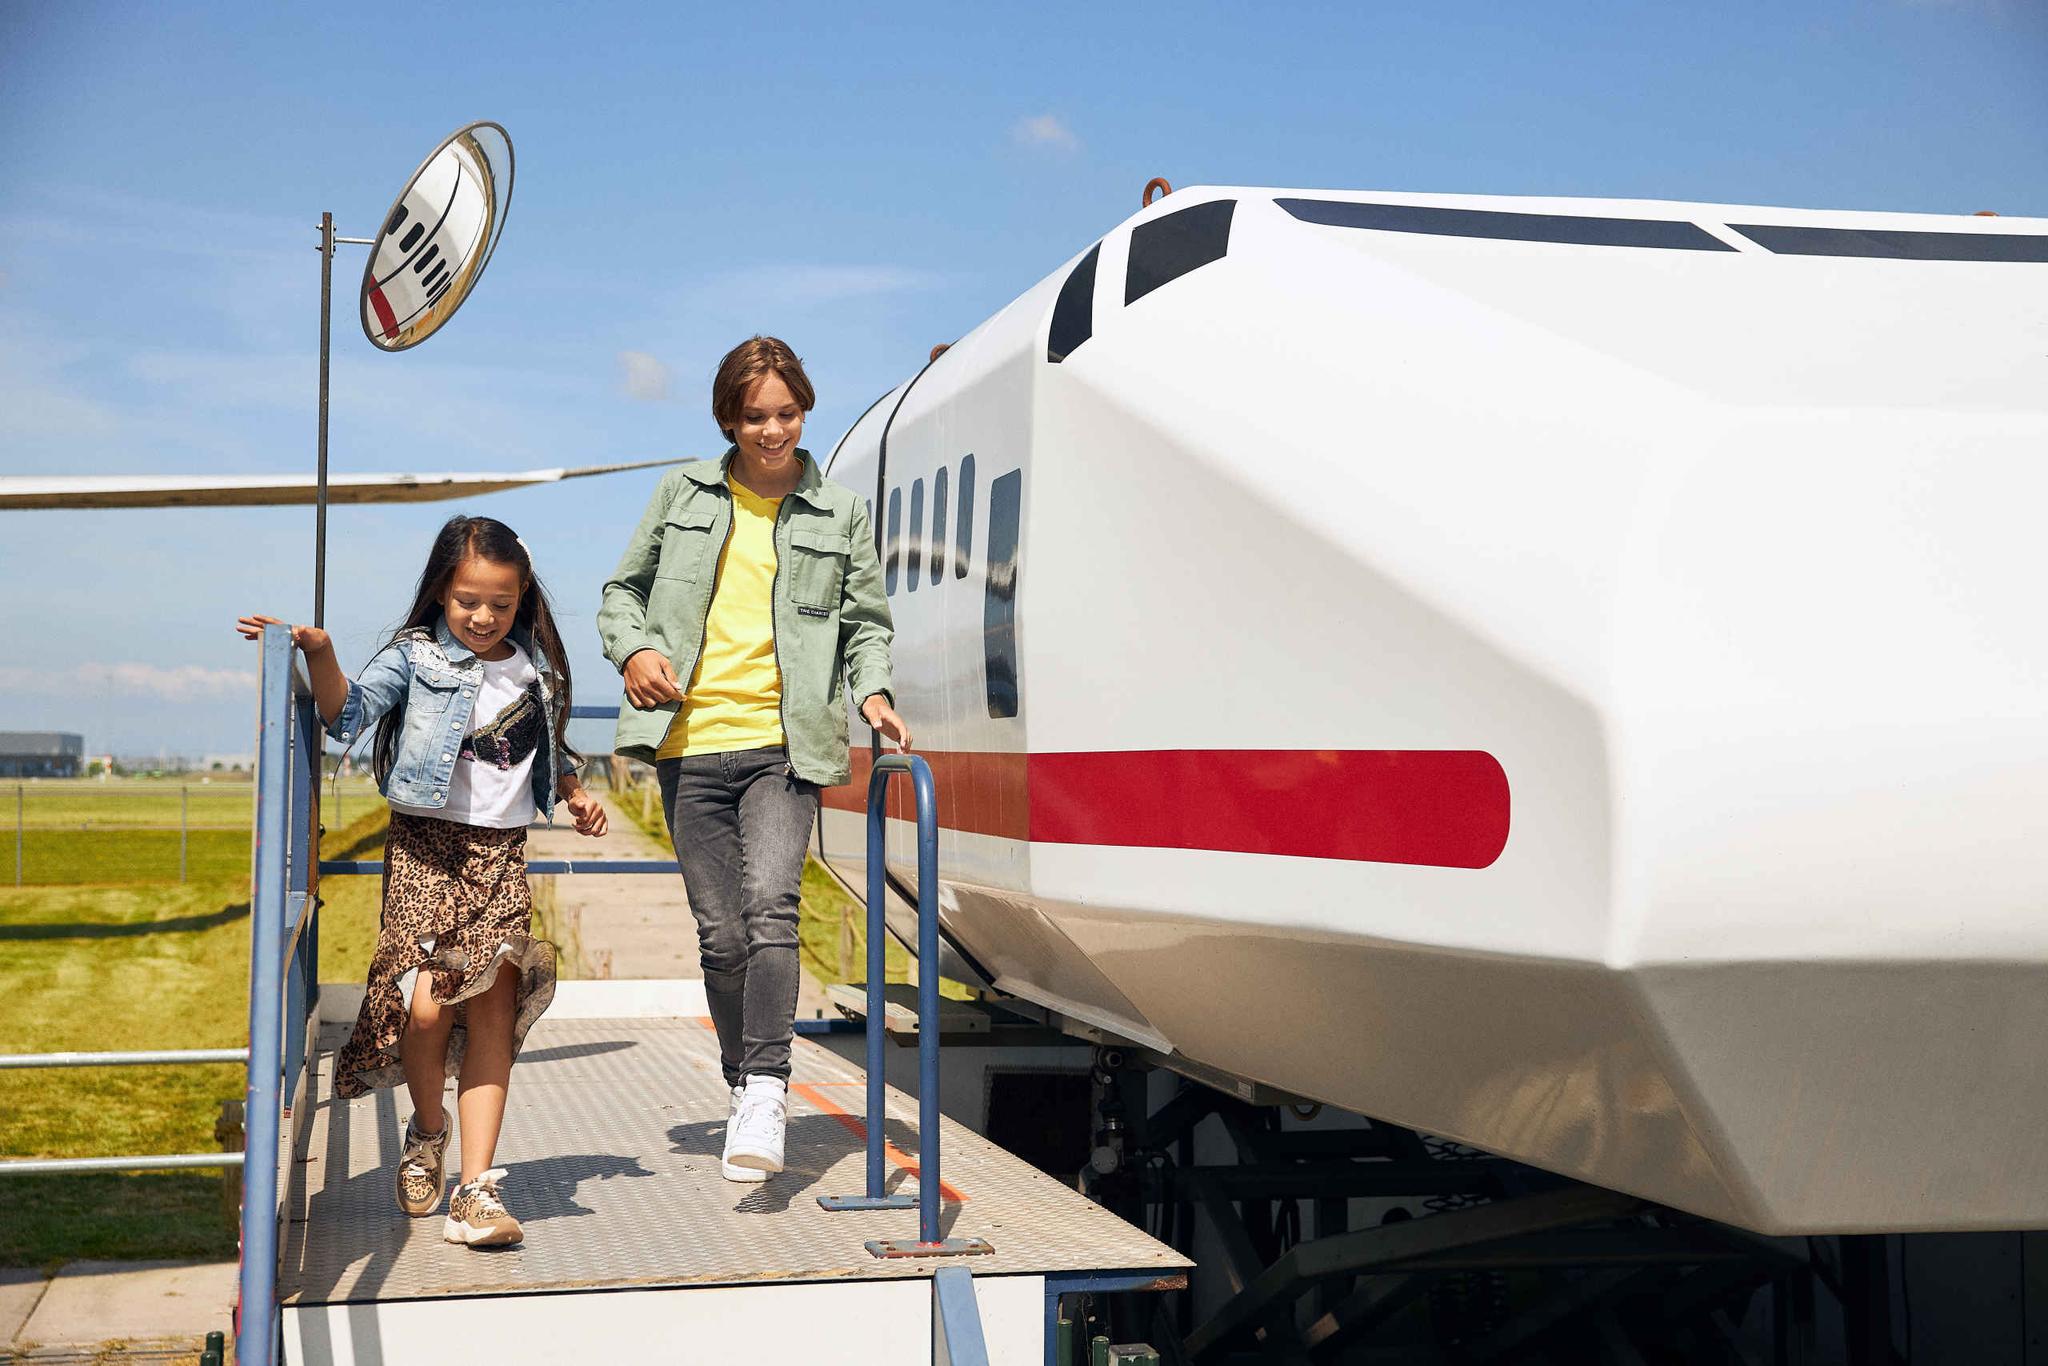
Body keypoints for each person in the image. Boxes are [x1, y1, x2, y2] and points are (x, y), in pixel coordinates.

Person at [236, 515, 607, 1247]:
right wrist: (320, 651)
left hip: (501, 857)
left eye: (500, 603)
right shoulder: (415, 655)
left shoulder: (535, 666)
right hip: (425, 851)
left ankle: (476, 1190)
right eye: (468, 600)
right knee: (429, 1010)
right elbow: (344, 715)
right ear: (441, 591)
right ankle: (428, 1133)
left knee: (493, 1010)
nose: (483, 616)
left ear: (522, 597)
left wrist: (573, 790)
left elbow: (542, 744)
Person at [598, 335, 909, 1182]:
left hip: (784, 746)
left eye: (787, 413)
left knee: (772, 907)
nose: (773, 431)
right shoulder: (683, 494)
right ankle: (743, 1081)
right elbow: (621, 593)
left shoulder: (839, 512)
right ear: (728, 420)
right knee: (722, 937)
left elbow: (864, 624)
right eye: (755, 417)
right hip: (689, 745)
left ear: (804, 410)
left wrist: (873, 693)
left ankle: (769, 1087)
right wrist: (633, 651)